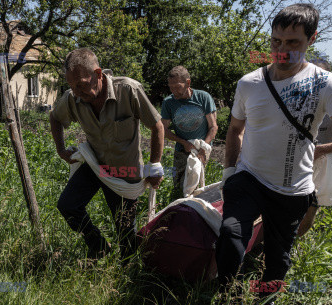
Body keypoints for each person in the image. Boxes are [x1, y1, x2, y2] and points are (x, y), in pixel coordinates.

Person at [216, 3, 332, 303]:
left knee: (278, 259)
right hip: (248, 179)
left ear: (311, 39)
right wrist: (229, 174)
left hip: (292, 189)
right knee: (230, 236)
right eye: (276, 41)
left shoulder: (326, 84)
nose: (282, 51)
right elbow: (235, 129)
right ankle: (225, 297)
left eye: (293, 43)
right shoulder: (249, 83)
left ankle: (265, 303)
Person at [50, 48, 164, 260]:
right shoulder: (73, 98)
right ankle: (100, 246)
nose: (76, 92)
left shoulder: (128, 90)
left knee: (125, 231)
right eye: (72, 86)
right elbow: (55, 118)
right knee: (68, 206)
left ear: (98, 74)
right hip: (95, 166)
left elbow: (157, 126)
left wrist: (154, 166)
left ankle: (127, 272)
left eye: (82, 84)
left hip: (125, 172)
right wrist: (61, 149)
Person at [297, 59, 332, 236]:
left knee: (311, 206)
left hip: (322, 164)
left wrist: (321, 149)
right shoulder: (297, 102)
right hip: (295, 162)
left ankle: (294, 241)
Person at [161, 66, 218, 200]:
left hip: (201, 149)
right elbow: (164, 129)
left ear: (188, 83)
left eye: (177, 86)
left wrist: (203, 148)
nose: (174, 91)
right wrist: (184, 143)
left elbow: (213, 127)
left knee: (195, 186)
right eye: (171, 87)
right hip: (181, 150)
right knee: (179, 186)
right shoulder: (168, 102)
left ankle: (195, 213)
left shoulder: (203, 98)